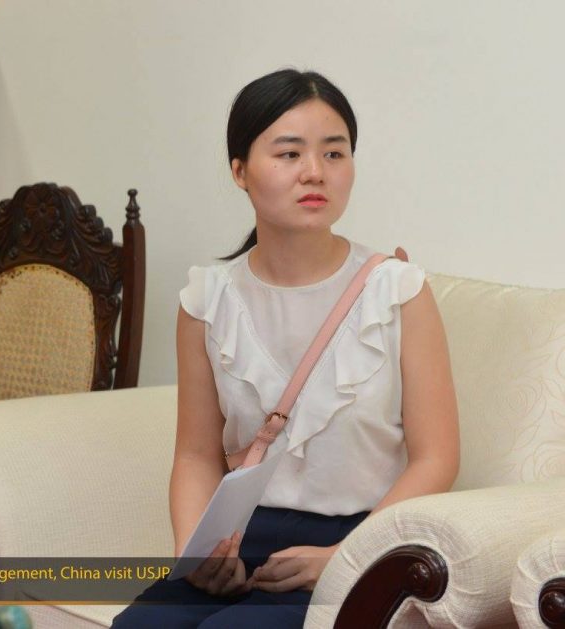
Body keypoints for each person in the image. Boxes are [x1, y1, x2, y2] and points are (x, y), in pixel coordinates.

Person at [113, 69, 460, 627]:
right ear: (239, 171)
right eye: (289, 153)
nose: (315, 171)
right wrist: (197, 554)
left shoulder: (398, 291)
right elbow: (197, 454)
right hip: (241, 537)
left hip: (364, 542)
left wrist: (347, 557)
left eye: (334, 153)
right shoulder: (207, 299)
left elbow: (436, 458)